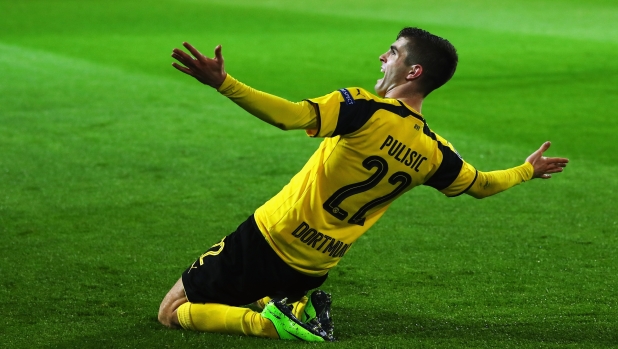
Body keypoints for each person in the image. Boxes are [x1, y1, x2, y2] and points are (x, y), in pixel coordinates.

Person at [157, 27, 568, 342]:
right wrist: (527, 170)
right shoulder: (436, 152)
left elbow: (291, 115)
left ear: (412, 71)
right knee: (270, 290)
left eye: (392, 52)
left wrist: (225, 84)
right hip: (317, 265)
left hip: (270, 238)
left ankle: (269, 326)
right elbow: (481, 184)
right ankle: (292, 305)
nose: (381, 56)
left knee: (173, 310)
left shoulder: (364, 109)